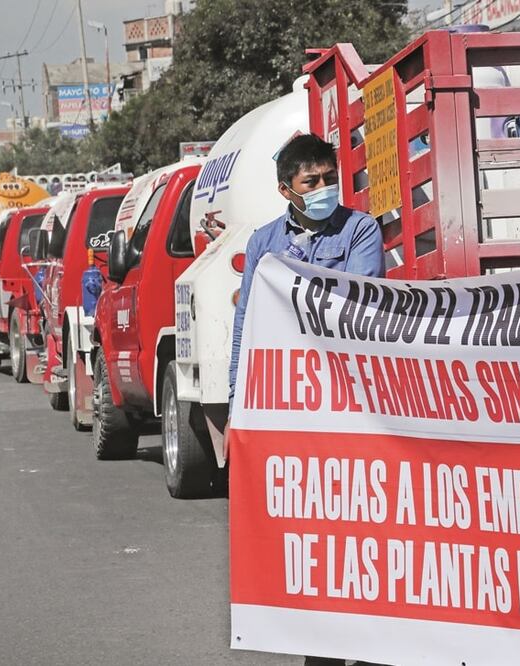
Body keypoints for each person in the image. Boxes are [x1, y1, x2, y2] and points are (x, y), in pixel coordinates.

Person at [226, 133, 385, 666]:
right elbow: (248, 323)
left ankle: (368, 641)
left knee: (361, 526)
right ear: (285, 189)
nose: (323, 189)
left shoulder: (360, 229)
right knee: (308, 529)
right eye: (310, 182)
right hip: (291, 406)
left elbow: (358, 303)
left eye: (328, 179)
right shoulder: (263, 243)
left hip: (353, 401)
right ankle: (318, 644)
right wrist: (235, 405)